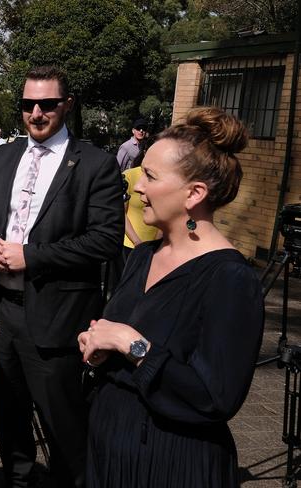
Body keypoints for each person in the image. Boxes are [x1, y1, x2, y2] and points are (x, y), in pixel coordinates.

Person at [78, 107, 264, 488]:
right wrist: (99, 344)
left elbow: (216, 397)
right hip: (108, 447)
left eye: (150, 176)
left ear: (194, 193)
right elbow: (118, 330)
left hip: (172, 462)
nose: (137, 187)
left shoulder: (231, 279)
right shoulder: (143, 255)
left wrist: (131, 343)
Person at [0, 66, 124, 488]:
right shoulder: (4, 155)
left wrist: (32, 257)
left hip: (57, 321)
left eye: (47, 104)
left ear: (66, 105)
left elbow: (105, 242)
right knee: (10, 425)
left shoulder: (96, 164)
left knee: (65, 432)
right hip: (0, 313)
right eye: (27, 104)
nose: (36, 113)